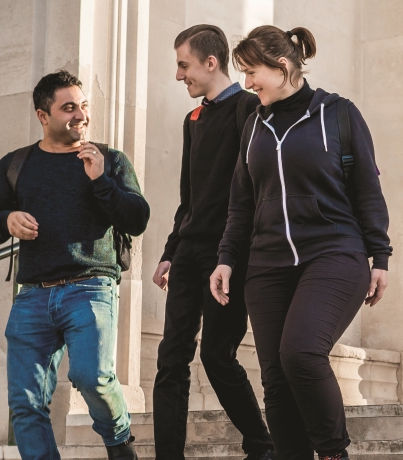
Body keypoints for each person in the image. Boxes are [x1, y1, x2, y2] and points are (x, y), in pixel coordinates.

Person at [210, 25, 392, 460]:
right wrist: (226, 260)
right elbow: (241, 204)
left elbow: (367, 189)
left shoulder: (339, 114)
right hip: (267, 265)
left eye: (253, 73)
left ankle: (332, 453)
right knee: (275, 376)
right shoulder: (254, 126)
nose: (248, 83)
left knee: (301, 353)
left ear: (283, 67)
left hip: (334, 253)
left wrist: (380, 255)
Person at [0, 70, 149, 460]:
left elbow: (137, 219)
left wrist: (101, 180)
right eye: (68, 107)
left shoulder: (110, 159)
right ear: (43, 115)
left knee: (93, 377)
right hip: (33, 296)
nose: (80, 115)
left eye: (83, 105)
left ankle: (119, 441)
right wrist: (6, 221)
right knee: (25, 402)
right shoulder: (16, 164)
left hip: (90, 288)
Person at [151, 24, 274, 460]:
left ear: (210, 62)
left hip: (230, 254)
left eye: (184, 65)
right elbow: (190, 196)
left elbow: (255, 188)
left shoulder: (249, 108)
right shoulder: (192, 120)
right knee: (170, 361)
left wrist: (239, 250)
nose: (179, 74)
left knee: (218, 357)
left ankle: (261, 446)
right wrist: (170, 250)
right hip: (189, 252)